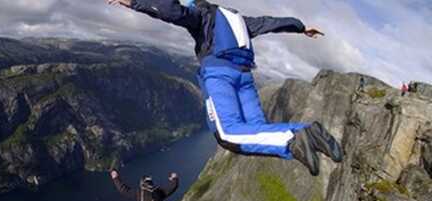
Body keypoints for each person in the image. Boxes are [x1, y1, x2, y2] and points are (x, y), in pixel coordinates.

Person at [107, 0, 343, 176]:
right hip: (245, 77)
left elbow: (173, 12)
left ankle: (294, 138)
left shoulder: (200, 14)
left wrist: (136, 3)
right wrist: (300, 27)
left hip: (220, 75)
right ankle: (307, 131)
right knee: (256, 130)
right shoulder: (238, 18)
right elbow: (271, 23)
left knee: (228, 134)